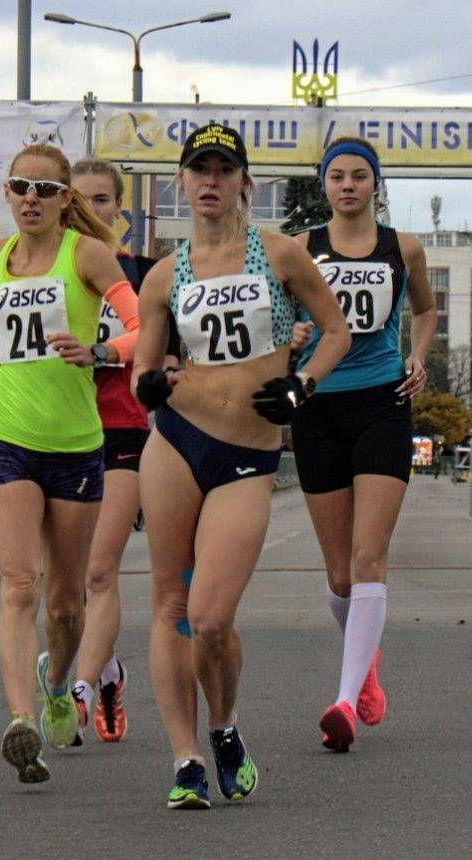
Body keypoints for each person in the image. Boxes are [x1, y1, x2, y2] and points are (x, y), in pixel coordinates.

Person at [131, 124, 351, 808]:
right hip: (176, 442)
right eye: (199, 170)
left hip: (246, 454)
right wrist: (148, 383)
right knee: (171, 606)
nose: (210, 182)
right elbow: (147, 363)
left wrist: (302, 384)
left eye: (224, 170)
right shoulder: (166, 274)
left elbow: (337, 331)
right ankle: (185, 759)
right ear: (182, 181)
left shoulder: (281, 255)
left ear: (243, 183)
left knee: (212, 617)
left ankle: (223, 726)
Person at [0, 142, 141, 783]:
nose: (31, 198)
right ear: (7, 192)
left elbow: (142, 329)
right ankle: (22, 720)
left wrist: (102, 352)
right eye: (21, 186)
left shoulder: (87, 255)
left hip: (78, 444)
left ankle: (58, 686)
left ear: (63, 201)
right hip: (8, 439)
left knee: (65, 603)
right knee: (19, 587)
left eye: (46, 190)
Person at [291, 136, 436, 754]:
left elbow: (425, 310)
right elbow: (276, 318)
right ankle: (365, 662)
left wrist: (419, 355)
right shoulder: (300, 249)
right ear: (324, 185)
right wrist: (293, 330)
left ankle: (345, 701)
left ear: (376, 184)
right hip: (317, 404)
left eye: (359, 176)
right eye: (337, 177)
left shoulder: (404, 247)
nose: (347, 185)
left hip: (382, 402)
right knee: (340, 574)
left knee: (369, 557)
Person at [68, 158, 161, 744]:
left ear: (119, 212)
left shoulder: (146, 276)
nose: (89, 209)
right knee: (67, 580)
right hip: (57, 432)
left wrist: (106, 353)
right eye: (79, 199)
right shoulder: (45, 276)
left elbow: (157, 340)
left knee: (100, 570)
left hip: (123, 431)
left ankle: (76, 691)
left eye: (102, 200)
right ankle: (109, 672)